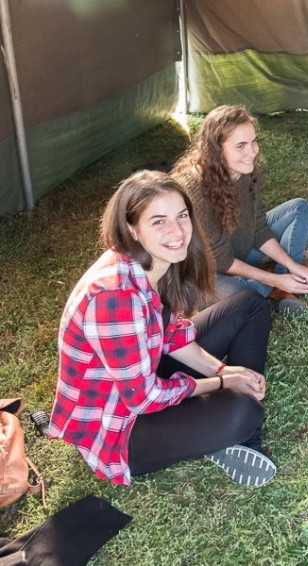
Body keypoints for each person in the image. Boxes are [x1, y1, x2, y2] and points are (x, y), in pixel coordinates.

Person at [49, 170, 277, 487]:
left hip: (146, 370)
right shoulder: (114, 297)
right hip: (121, 426)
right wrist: (222, 383)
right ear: (132, 229)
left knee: (250, 305)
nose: (177, 231)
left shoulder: (157, 262)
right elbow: (143, 398)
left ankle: (228, 416)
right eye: (158, 221)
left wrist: (223, 370)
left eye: (182, 216)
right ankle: (234, 426)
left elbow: (171, 334)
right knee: (243, 411)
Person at [172, 104, 308, 314]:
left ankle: (282, 282)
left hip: (239, 249)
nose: (252, 152)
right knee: (236, 291)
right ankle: (270, 289)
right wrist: (273, 279)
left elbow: (259, 228)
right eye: (241, 146)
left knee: (299, 209)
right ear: (216, 150)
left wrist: (290, 265)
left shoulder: (244, 170)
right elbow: (220, 259)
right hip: (207, 270)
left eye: (253, 141)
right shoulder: (194, 187)